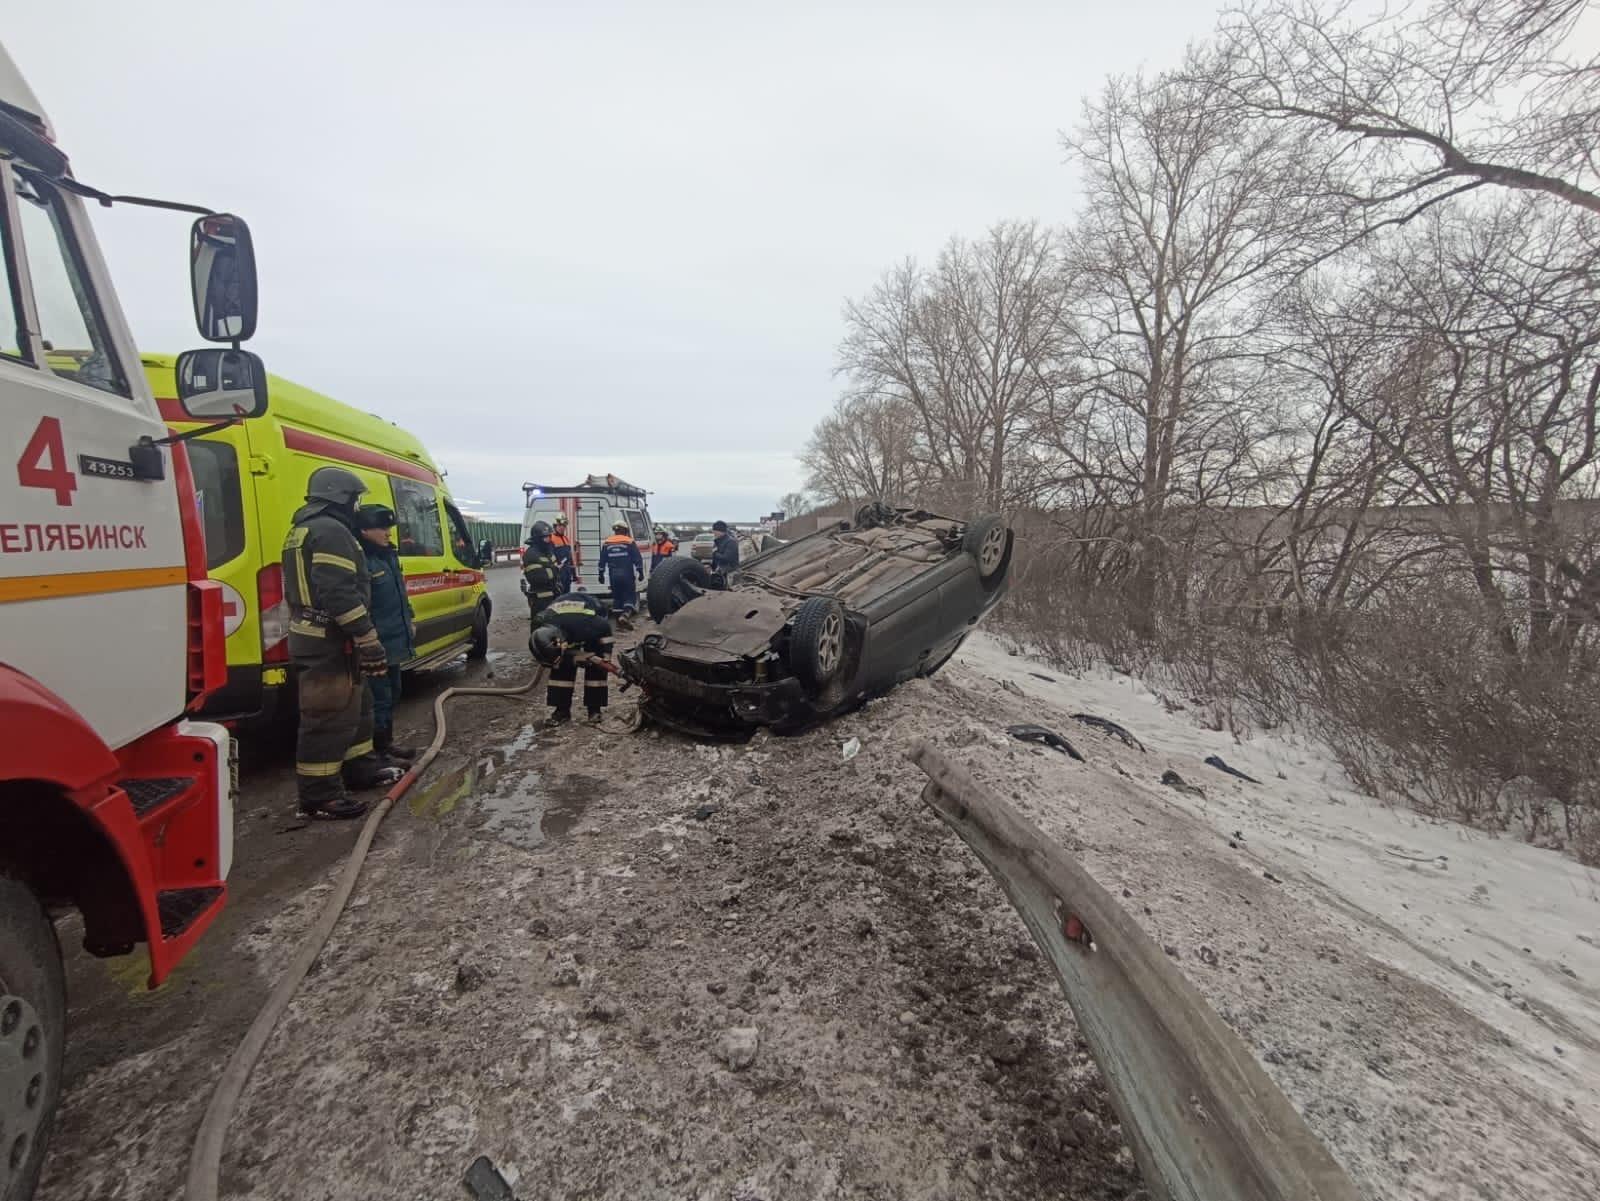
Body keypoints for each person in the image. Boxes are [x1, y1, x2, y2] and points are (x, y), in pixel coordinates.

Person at [283, 467, 402, 820]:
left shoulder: (306, 529)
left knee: (358, 707)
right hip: (327, 640)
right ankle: (320, 795)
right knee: (328, 717)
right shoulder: (330, 531)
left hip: (331, 638)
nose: (357, 505)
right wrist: (367, 637)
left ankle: (359, 767)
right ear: (341, 497)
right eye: (355, 498)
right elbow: (337, 592)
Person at [355, 503, 417, 764]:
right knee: (378, 698)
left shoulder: (387, 556)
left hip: (393, 640)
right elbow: (357, 603)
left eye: (389, 528)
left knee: (393, 691)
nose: (388, 533)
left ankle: (386, 743)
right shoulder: (361, 559)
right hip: (374, 643)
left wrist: (410, 618)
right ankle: (377, 753)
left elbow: (400, 594)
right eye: (381, 528)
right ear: (364, 530)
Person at [529, 591, 615, 724]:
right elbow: (541, 646)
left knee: (596, 668)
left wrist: (605, 658)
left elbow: (606, 632)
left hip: (591, 624)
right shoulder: (540, 624)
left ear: (559, 640)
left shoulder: (590, 625)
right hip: (565, 625)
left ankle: (594, 711)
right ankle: (562, 711)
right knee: (560, 668)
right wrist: (567, 658)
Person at [598, 520, 644, 623]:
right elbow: (637, 558)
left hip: (613, 574)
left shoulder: (607, 542)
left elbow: (602, 560)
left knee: (617, 595)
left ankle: (617, 618)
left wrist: (600, 574)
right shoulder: (629, 541)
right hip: (626, 573)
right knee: (629, 594)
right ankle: (625, 614)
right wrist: (640, 571)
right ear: (625, 530)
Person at [521, 521, 561, 621]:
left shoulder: (547, 551)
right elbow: (537, 577)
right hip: (540, 600)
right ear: (538, 539)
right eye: (545, 537)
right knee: (540, 628)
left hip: (553, 597)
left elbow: (554, 566)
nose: (548, 540)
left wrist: (554, 571)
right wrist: (555, 570)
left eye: (549, 536)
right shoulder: (531, 554)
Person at [549, 514, 576, 590]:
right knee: (559, 595)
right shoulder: (551, 539)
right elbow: (550, 557)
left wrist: (573, 573)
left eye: (564, 526)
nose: (562, 528)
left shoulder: (566, 539)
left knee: (567, 593)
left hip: (567, 571)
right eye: (559, 525)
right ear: (555, 526)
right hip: (558, 573)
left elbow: (569, 557)